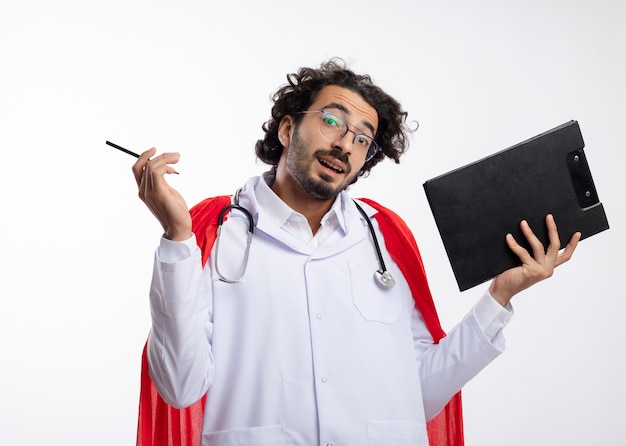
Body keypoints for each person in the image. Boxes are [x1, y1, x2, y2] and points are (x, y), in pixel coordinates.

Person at [132, 58, 580, 446]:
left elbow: (418, 394)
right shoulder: (214, 235)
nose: (345, 144)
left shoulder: (386, 239)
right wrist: (176, 236)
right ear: (288, 128)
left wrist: (499, 298)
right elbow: (179, 385)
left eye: (363, 138)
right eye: (332, 121)